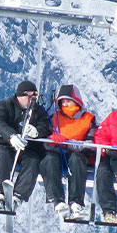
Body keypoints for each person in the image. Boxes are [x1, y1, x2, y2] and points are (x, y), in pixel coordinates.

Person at [0, 80, 51, 210]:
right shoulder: (5, 105)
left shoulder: (38, 111)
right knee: (2, 155)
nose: (31, 100)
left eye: (34, 97)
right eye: (29, 96)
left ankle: (18, 196)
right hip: (8, 144)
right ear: (20, 96)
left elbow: (45, 127)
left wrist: (36, 132)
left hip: (29, 147)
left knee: (33, 162)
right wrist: (11, 135)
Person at [40, 84, 97, 221]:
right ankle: (57, 200)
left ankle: (76, 203)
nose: (65, 105)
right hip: (56, 152)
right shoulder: (54, 117)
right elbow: (43, 138)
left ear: (76, 101)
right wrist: (50, 140)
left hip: (77, 153)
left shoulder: (88, 119)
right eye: (63, 102)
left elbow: (92, 143)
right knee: (49, 160)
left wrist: (70, 144)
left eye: (68, 101)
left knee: (77, 160)